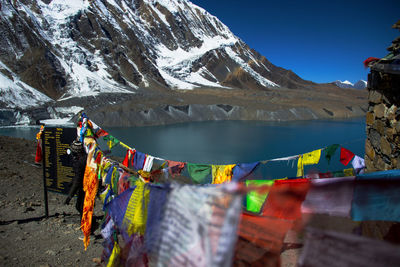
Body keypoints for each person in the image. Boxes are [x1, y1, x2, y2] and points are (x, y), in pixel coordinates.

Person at [64, 138, 87, 219]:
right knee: (80, 206)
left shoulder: (79, 162)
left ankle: (86, 225)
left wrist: (70, 195)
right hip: (85, 184)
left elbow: (78, 179)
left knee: (80, 206)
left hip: (85, 186)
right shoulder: (84, 158)